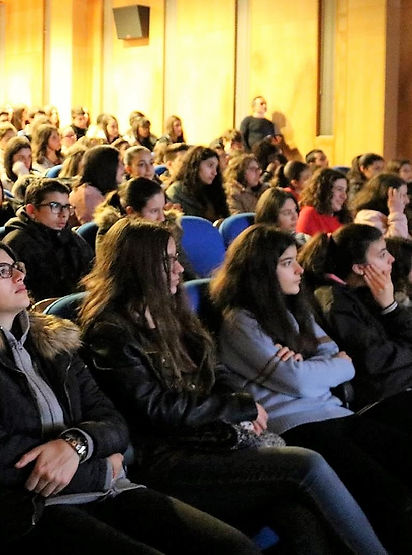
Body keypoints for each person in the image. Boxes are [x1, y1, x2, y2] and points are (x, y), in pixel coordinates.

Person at [0, 238, 260, 554]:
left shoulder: (52, 340)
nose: (18, 275)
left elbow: (112, 421)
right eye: (1, 270)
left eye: (17, 266)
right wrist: (100, 468)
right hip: (32, 506)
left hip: (109, 489)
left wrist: (75, 445)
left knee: (233, 547)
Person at [79, 218, 385, 554]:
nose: (180, 268)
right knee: (307, 464)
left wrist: (236, 398)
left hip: (208, 438)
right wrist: (239, 407)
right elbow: (156, 409)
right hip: (170, 457)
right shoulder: (110, 330)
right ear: (140, 265)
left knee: (299, 519)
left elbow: (214, 365)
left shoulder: (169, 308)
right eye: (168, 260)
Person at [213, 224, 412, 552]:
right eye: (288, 262)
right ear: (262, 270)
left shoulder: (295, 310)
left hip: (335, 413)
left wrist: (309, 368)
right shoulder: (240, 322)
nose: (300, 268)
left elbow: (342, 363)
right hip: (299, 427)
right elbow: (301, 381)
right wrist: (311, 370)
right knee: (392, 497)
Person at [300, 223, 412, 428]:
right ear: (359, 268)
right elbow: (374, 360)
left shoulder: (371, 291)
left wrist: (390, 307)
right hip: (383, 397)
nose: (392, 259)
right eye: (382, 254)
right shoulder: (335, 302)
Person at [2, 179, 94, 300]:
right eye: (55, 206)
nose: (64, 214)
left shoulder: (70, 237)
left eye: (66, 207)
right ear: (32, 211)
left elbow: (91, 273)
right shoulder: (17, 243)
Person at [166, 146, 229, 221]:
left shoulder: (212, 191)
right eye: (210, 165)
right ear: (195, 165)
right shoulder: (176, 192)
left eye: (216, 168)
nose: (214, 172)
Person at [349, 172, 409, 238]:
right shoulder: (367, 217)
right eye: (402, 195)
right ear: (387, 196)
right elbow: (396, 244)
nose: (407, 201)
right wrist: (396, 212)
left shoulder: (392, 214)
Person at [297, 167, 351, 235]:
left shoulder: (343, 216)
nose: (344, 196)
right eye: (339, 189)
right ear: (324, 191)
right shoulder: (309, 214)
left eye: (345, 191)